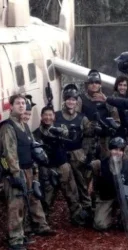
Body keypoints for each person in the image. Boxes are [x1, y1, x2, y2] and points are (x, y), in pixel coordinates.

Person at [0, 94, 56, 250]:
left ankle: (24, 233)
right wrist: (16, 174)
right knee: (15, 205)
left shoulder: (23, 125)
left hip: (29, 169)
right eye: (18, 103)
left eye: (23, 103)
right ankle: (15, 240)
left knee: (28, 201)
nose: (21, 105)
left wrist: (35, 170)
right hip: (16, 172)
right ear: (11, 106)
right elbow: (9, 153)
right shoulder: (8, 126)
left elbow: (32, 147)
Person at [33, 106, 88, 226]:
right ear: (41, 117)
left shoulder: (61, 130)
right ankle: (42, 223)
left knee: (72, 194)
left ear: (54, 117)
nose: (48, 117)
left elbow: (73, 139)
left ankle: (77, 218)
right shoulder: (36, 134)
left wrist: (69, 133)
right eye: (45, 115)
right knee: (46, 197)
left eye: (50, 115)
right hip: (47, 169)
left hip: (63, 166)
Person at [54, 85, 97, 223]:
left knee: (82, 184)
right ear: (64, 100)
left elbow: (89, 134)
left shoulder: (82, 118)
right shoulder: (56, 116)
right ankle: (75, 213)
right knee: (68, 186)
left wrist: (87, 153)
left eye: (73, 100)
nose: (71, 102)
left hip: (78, 155)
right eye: (68, 99)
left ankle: (87, 210)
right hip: (61, 155)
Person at [90, 137, 128, 231]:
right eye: (115, 149)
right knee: (100, 225)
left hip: (121, 197)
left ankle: (122, 218)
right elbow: (93, 185)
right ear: (110, 150)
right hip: (106, 196)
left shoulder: (127, 164)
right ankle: (105, 213)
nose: (117, 152)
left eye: (121, 150)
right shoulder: (99, 164)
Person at [79, 70, 120, 159]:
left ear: (100, 84)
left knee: (105, 165)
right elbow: (77, 118)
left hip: (104, 140)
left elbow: (116, 120)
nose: (94, 85)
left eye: (97, 82)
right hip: (87, 140)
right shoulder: (81, 99)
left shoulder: (107, 99)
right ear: (87, 84)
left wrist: (106, 101)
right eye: (91, 82)